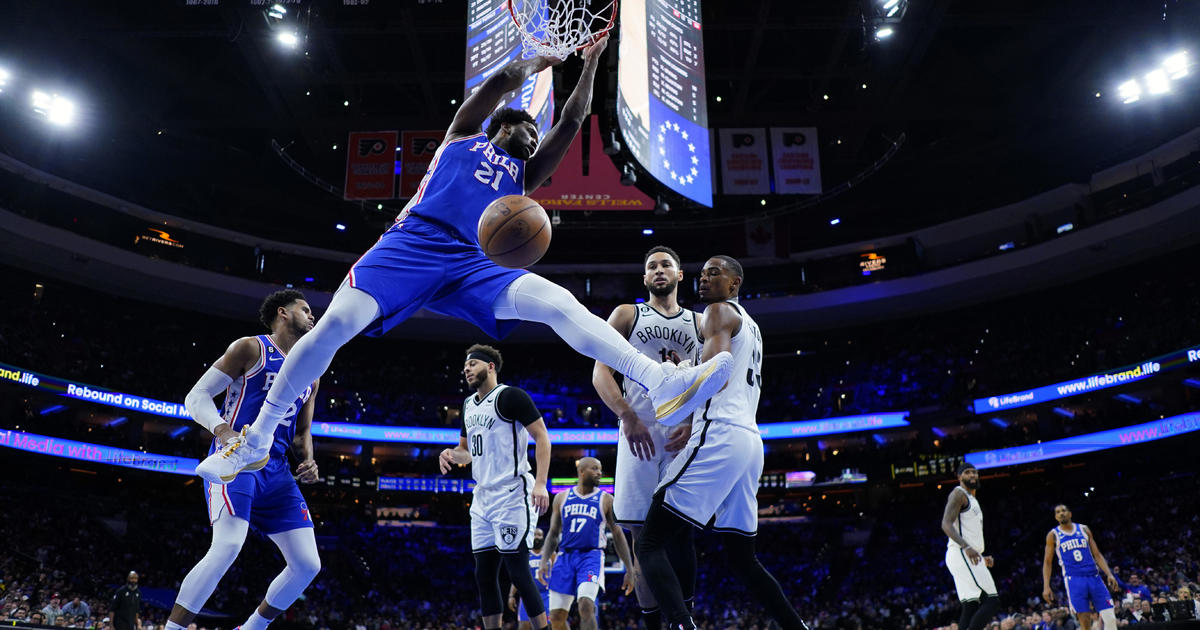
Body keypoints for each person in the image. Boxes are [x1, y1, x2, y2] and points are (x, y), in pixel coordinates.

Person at [196, 35, 733, 485]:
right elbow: (498, 87)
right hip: (412, 245)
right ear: (506, 127)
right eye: (527, 132)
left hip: (475, 261)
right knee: (335, 325)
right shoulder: (462, 136)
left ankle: (658, 383)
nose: (532, 140)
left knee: (556, 301)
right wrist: (534, 62)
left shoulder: (524, 178)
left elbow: (570, 124)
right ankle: (258, 438)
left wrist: (591, 64)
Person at [635, 256, 808, 630]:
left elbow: (714, 376)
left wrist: (675, 379)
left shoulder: (716, 311)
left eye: (715, 273)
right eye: (701, 274)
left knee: (649, 543)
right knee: (743, 560)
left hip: (720, 433)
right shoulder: (753, 326)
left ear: (735, 283)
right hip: (749, 442)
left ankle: (684, 625)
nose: (704, 279)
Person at [166, 290, 323, 630]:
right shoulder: (250, 347)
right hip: (236, 461)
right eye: (305, 309)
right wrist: (223, 431)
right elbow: (197, 397)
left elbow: (302, 432)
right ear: (282, 313)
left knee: (308, 565)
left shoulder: (313, 369)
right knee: (228, 546)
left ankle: (252, 627)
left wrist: (309, 459)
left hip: (278, 471)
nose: (313, 317)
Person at [591, 246, 701, 630]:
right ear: (644, 278)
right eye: (651, 266)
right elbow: (600, 372)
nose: (658, 270)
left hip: (683, 435)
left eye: (665, 264)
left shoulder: (699, 322)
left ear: (679, 274)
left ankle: (683, 620)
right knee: (642, 538)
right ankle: (653, 623)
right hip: (639, 434)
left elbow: (715, 380)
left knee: (681, 534)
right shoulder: (628, 314)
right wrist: (627, 414)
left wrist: (694, 420)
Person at [438, 344, 553, 630]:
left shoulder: (511, 396)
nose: (466, 369)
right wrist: (452, 454)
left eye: (473, 364)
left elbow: (542, 437)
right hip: (483, 496)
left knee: (518, 572)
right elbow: (467, 451)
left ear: (491, 367)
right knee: (484, 575)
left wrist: (540, 483)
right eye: (465, 366)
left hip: (512, 493)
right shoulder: (467, 405)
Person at [538, 457, 635, 630]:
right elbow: (553, 534)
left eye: (600, 469)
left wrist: (629, 568)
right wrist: (544, 560)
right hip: (564, 557)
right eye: (595, 469)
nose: (599, 473)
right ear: (581, 471)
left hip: (591, 556)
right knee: (556, 617)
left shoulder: (606, 499)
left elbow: (618, 535)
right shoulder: (561, 498)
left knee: (586, 605)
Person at [942, 463, 1000, 630]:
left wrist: (981, 556)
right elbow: (946, 524)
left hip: (967, 555)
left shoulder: (972, 499)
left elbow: (969, 533)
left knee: (971, 606)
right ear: (959, 477)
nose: (972, 475)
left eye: (975, 472)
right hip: (961, 552)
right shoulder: (958, 493)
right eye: (967, 472)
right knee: (992, 600)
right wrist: (966, 547)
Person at [1041, 504, 1118, 630]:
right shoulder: (1053, 535)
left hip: (1094, 577)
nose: (1061, 513)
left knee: (1110, 617)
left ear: (1070, 513)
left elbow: (1097, 554)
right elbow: (1047, 562)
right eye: (1058, 512)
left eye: (1064, 510)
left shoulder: (1084, 529)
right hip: (1074, 580)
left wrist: (1109, 574)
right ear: (1056, 517)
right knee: (1085, 621)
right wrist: (1046, 586)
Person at [509, 528, 551, 630]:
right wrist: (511, 595)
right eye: (535, 534)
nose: (537, 537)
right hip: (527, 594)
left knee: (550, 625)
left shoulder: (551, 555)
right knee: (524, 626)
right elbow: (518, 577)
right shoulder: (525, 555)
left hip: (546, 595)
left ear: (543, 538)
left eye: (539, 535)